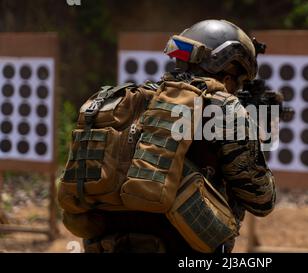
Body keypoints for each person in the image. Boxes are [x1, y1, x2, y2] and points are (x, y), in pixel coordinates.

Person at [80, 19, 276, 253]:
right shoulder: (225, 108)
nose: (236, 89)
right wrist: (256, 135)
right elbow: (261, 200)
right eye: (239, 81)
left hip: (110, 244)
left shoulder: (133, 99)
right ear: (228, 74)